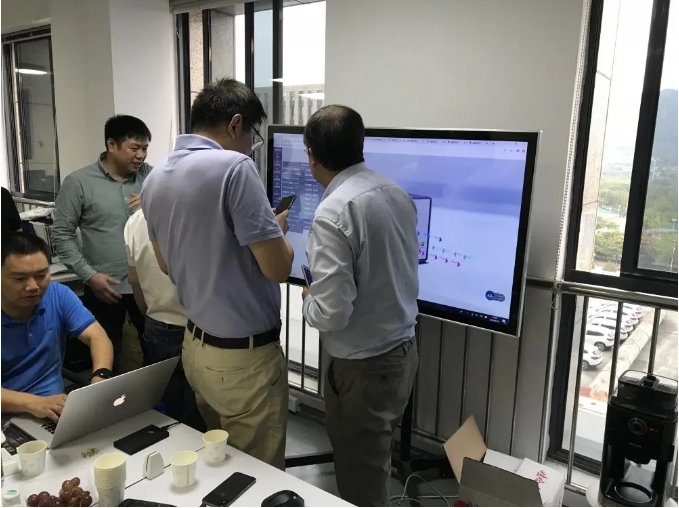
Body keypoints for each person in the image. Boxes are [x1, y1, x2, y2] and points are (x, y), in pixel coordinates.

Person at [142, 78, 293, 469]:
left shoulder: (155, 178)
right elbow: (278, 268)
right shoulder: (235, 168)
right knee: (258, 473)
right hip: (244, 360)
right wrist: (276, 231)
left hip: (196, 348)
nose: (251, 145)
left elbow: (165, 264)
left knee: (221, 463)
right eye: (252, 135)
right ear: (235, 123)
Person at [301, 105, 420, 506]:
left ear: (312, 156)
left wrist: (309, 301)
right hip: (402, 353)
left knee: (360, 482)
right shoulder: (395, 192)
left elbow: (332, 312)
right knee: (375, 459)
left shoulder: (333, 212)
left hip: (364, 369)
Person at [53, 115, 152, 373]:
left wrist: (153, 203)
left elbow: (177, 219)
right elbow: (61, 235)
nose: (141, 155)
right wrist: (89, 276)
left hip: (148, 286)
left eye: (145, 148)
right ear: (111, 144)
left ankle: (154, 399)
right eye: (134, 148)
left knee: (157, 354)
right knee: (106, 359)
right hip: (103, 287)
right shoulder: (79, 182)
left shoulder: (153, 178)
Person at [1, 233, 114, 421]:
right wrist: (32, 403)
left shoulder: (58, 295)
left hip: (55, 412)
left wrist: (100, 378)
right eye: (19, 278)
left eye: (41, 275)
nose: (33, 286)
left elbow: (97, 337)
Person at [124, 208, 206, 432]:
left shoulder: (136, 219)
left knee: (171, 410)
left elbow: (134, 279)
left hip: (156, 324)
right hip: (197, 330)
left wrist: (150, 314)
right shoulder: (197, 214)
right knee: (200, 415)